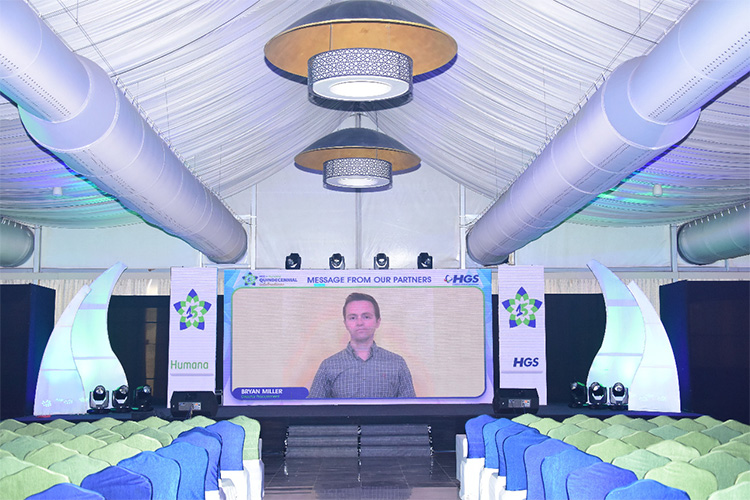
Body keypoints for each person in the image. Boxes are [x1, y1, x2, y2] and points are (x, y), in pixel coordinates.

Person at [308, 292, 415, 398]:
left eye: (366, 317)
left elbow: (411, 407)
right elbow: (313, 407)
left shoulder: (397, 363)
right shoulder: (328, 365)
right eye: (353, 318)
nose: (359, 323)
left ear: (377, 322)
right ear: (345, 324)